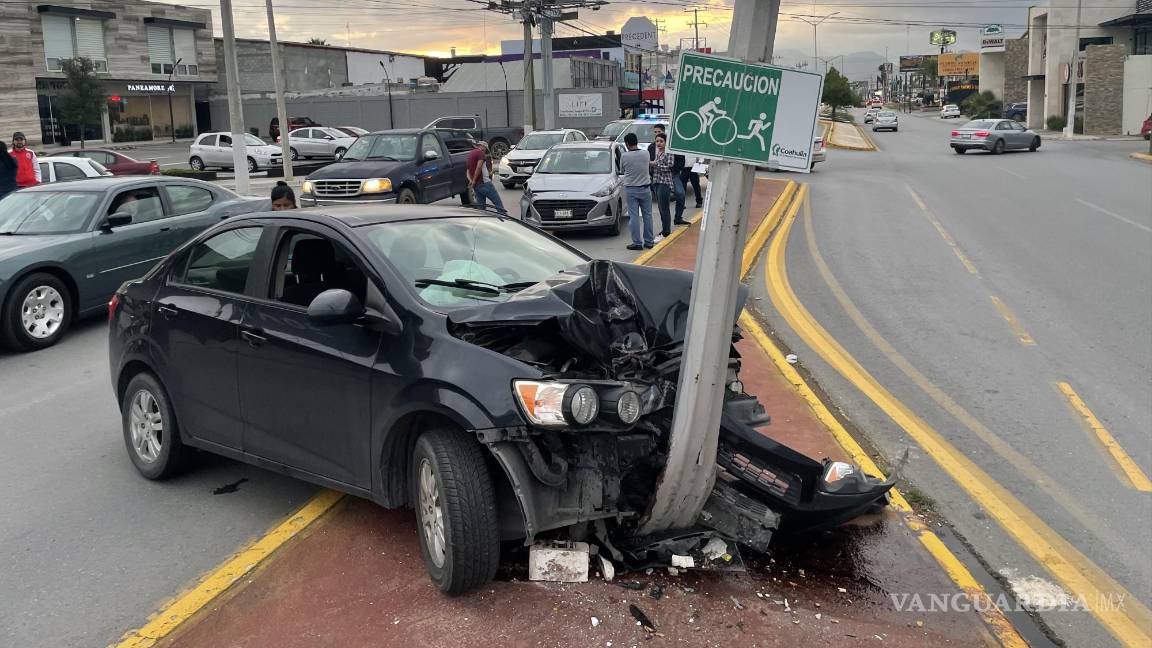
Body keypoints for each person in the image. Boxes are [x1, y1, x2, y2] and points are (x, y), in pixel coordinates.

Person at [647, 124, 687, 226]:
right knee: (662, 203)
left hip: (672, 175)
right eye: (655, 132)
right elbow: (649, 161)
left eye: (659, 132)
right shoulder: (651, 147)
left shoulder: (672, 146)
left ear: (664, 132)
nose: (657, 134)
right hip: (657, 178)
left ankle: (678, 217)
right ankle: (665, 226)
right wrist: (651, 172)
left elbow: (680, 160)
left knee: (681, 194)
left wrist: (675, 170)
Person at [619, 133, 654, 251]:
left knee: (633, 216)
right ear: (636, 141)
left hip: (631, 189)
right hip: (645, 189)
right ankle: (649, 242)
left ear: (627, 144)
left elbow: (622, 169)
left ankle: (637, 243)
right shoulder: (646, 153)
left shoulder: (624, 156)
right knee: (647, 215)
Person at [650, 134, 677, 239]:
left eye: (661, 141)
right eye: (657, 141)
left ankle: (666, 232)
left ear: (666, 142)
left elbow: (670, 167)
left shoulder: (668, 152)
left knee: (664, 208)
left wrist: (655, 164)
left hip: (664, 183)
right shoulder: (659, 152)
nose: (659, 143)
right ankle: (664, 230)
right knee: (660, 208)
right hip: (657, 181)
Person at [468, 142, 505, 213]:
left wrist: (471, 181)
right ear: (482, 146)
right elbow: (479, 167)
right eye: (485, 149)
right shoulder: (480, 153)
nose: (485, 151)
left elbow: (468, 170)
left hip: (477, 186)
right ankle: (505, 218)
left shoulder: (471, 154)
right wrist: (474, 180)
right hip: (484, 182)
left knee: (481, 208)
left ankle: (481, 219)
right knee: (498, 203)